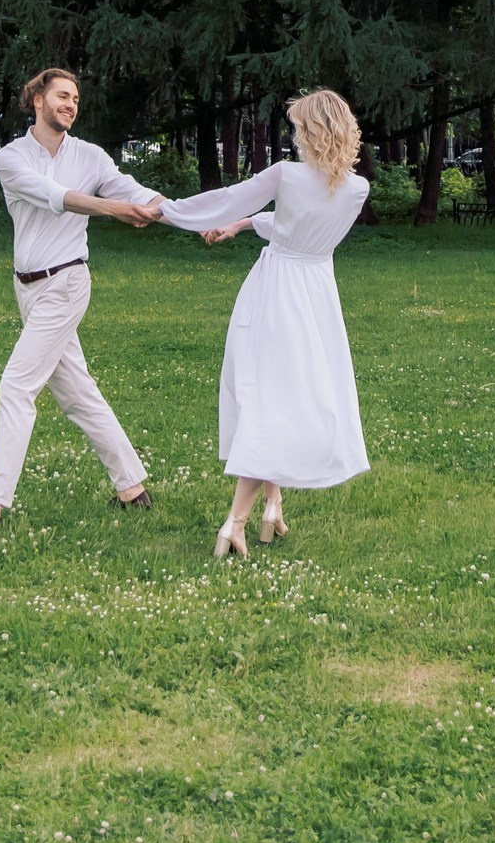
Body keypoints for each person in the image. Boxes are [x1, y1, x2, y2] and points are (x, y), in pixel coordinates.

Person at [0, 69, 164, 533]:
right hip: (27, 286)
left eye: (76, 98)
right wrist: (114, 211)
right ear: (37, 100)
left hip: (66, 283)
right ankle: (133, 490)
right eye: (62, 95)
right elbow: (53, 196)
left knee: (16, 386)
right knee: (79, 394)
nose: (71, 103)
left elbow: (136, 193)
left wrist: (190, 214)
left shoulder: (90, 155)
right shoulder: (11, 157)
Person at [154, 89, 372, 558]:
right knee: (282, 391)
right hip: (316, 295)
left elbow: (230, 199)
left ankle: (235, 521)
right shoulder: (357, 188)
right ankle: (273, 504)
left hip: (276, 291)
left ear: (311, 130)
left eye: (297, 127)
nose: (294, 136)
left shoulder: (287, 175)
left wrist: (166, 211)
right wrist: (245, 225)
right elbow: (298, 225)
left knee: (264, 395)